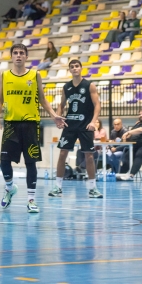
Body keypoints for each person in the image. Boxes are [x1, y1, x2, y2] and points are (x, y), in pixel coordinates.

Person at [0, 44, 66, 213]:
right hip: (11, 124)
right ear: (11, 56)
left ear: (26, 56)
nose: (18, 55)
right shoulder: (4, 75)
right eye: (15, 53)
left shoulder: (35, 75)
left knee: (30, 162)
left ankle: (31, 200)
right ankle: (10, 187)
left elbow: (42, 98)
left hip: (31, 124)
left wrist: (54, 115)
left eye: (21, 53)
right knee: (4, 160)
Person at [50, 59, 102, 199]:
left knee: (89, 156)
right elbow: (61, 104)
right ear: (70, 70)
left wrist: (93, 122)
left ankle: (93, 188)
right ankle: (58, 187)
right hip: (70, 125)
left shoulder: (89, 85)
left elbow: (97, 105)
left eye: (77, 66)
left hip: (85, 125)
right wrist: (57, 117)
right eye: (72, 67)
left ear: (81, 68)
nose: (74, 68)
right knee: (62, 155)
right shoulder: (66, 87)